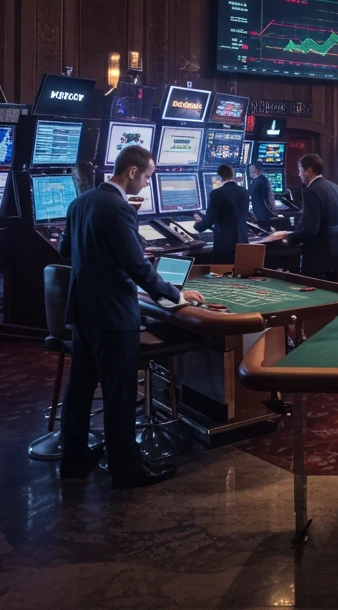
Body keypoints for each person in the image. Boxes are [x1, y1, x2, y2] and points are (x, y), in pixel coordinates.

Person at [58, 144, 204, 488]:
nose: (147, 185)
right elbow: (137, 266)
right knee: (119, 393)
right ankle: (126, 469)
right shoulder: (118, 208)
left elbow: (67, 250)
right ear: (133, 172)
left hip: (84, 312)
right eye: (148, 176)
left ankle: (74, 458)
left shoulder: (80, 202)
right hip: (113, 314)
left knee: (80, 389)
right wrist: (174, 294)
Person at [283, 154, 338, 280]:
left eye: (300, 170)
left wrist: (289, 238)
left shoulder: (311, 191)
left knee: (316, 295)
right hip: (335, 252)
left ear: (309, 170)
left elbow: (311, 229)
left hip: (318, 255)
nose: (299, 174)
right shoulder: (335, 187)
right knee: (333, 294)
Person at [194, 163, 250, 264]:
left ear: (220, 177)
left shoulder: (217, 193)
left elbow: (210, 219)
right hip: (243, 241)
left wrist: (198, 225)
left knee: (223, 274)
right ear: (232, 175)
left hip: (225, 243)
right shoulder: (244, 191)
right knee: (241, 271)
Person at [248, 163, 277, 227]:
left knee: (264, 229)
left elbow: (250, 192)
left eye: (252, 169)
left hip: (263, 212)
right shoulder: (258, 179)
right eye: (250, 169)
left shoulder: (260, 180)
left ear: (258, 170)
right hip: (261, 212)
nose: (250, 171)